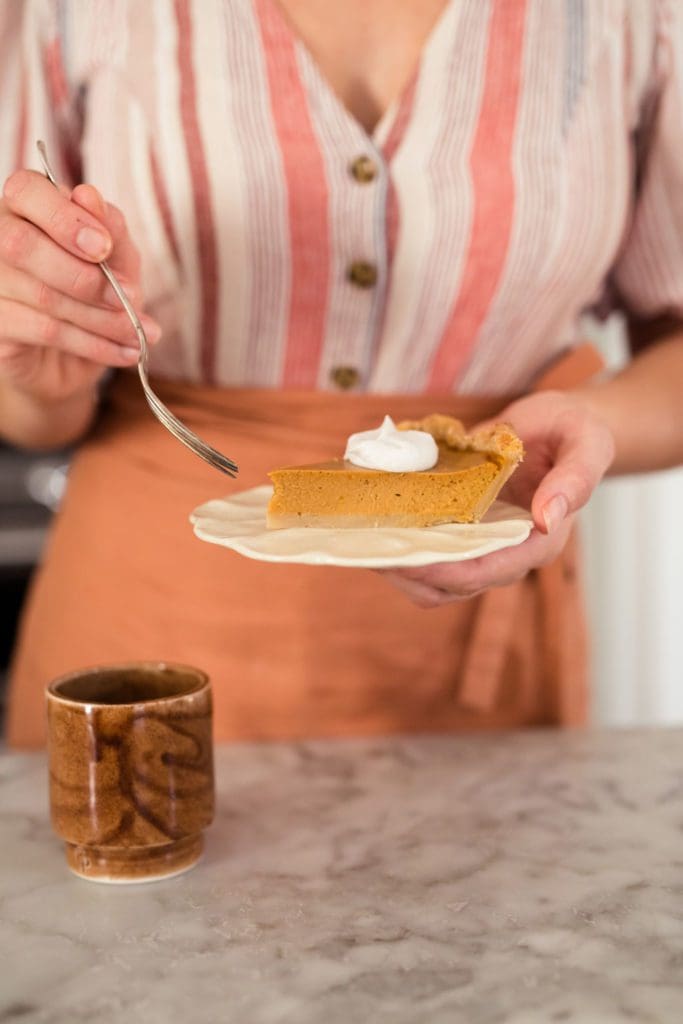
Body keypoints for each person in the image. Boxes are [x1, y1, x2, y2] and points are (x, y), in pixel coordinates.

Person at [1, 0, 682, 747]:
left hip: (475, 658)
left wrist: (592, 428)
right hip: (146, 633)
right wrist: (42, 374)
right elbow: (31, 411)